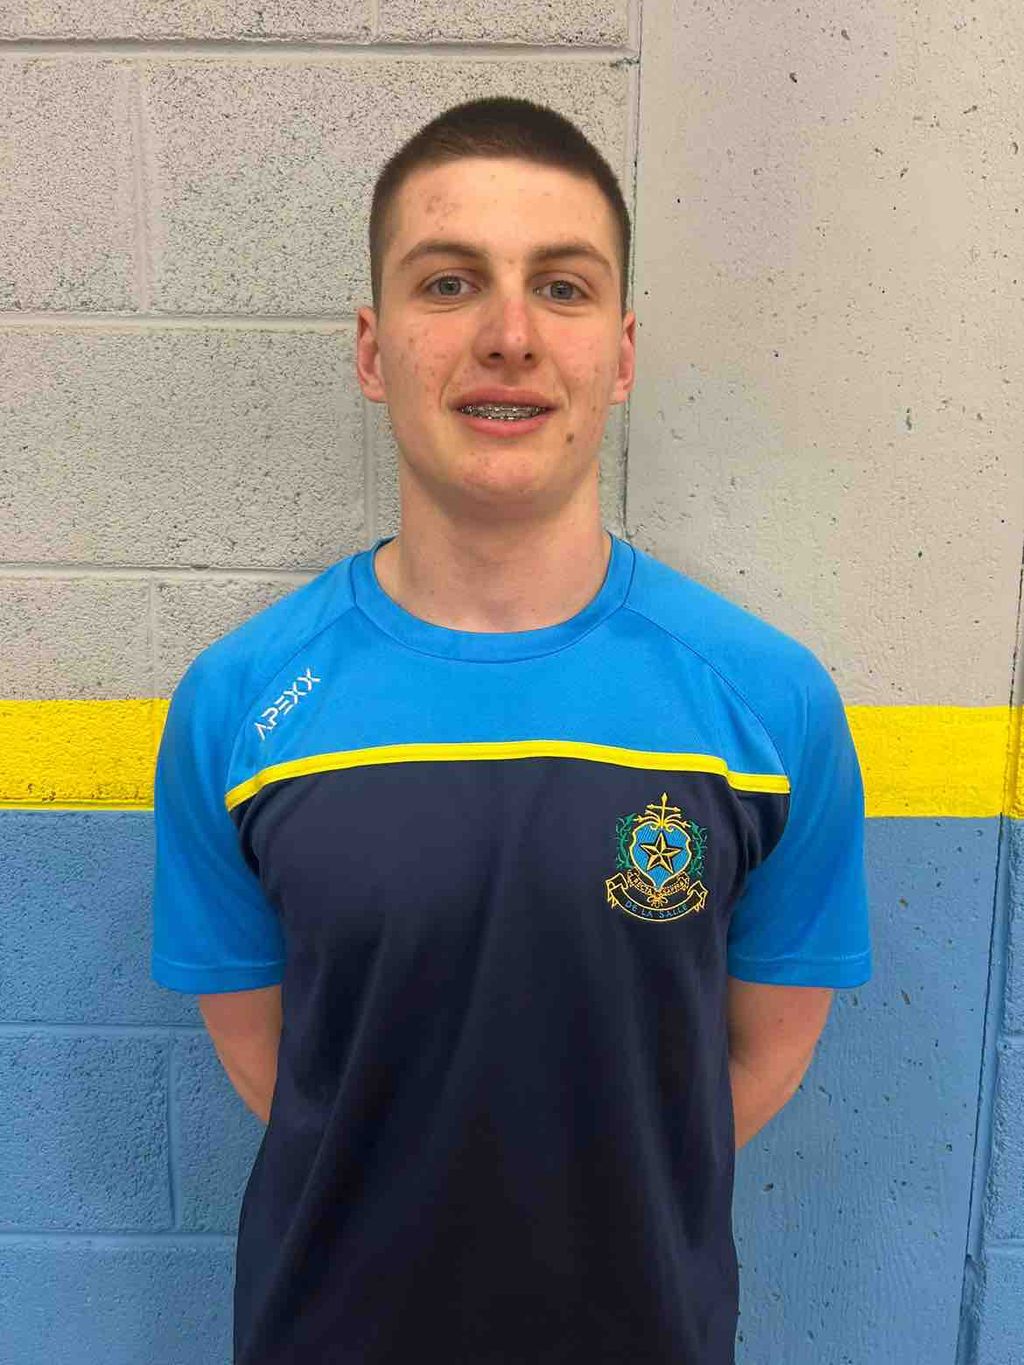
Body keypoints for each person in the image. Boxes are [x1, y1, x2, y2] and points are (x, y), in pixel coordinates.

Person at [151, 95, 872, 1365]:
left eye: (562, 287)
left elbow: (755, 1062)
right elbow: (278, 1067)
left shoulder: (767, 706)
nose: (509, 336)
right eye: (449, 283)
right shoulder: (239, 705)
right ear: (371, 350)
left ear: (621, 354)